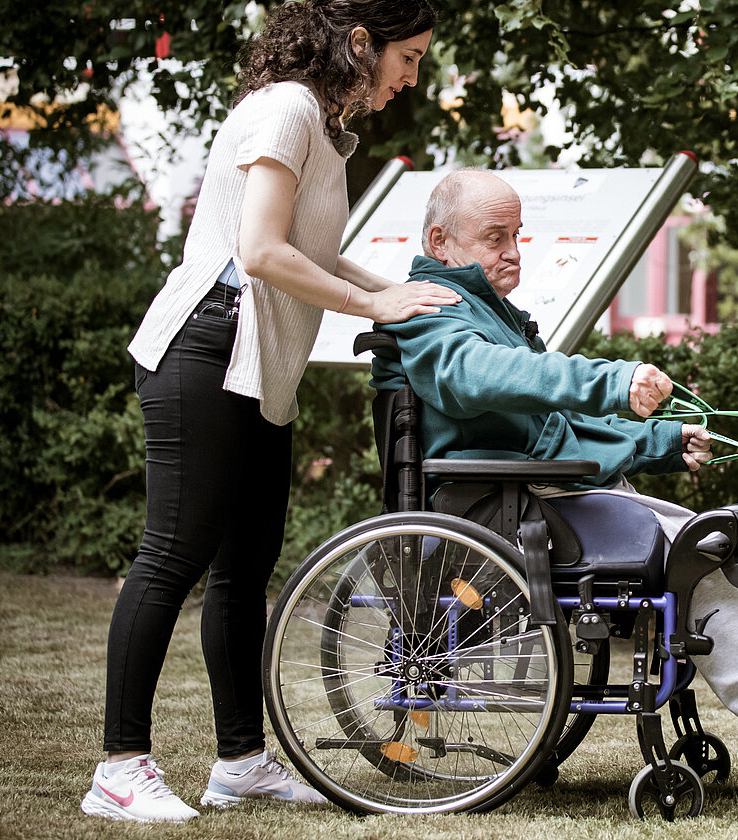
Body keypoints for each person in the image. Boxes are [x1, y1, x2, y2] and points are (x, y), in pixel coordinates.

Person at [370, 169, 738, 755]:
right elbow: (485, 377)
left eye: (518, 235)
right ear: (440, 242)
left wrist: (663, 441)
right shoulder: (430, 310)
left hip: (535, 496)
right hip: (500, 508)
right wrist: (613, 380)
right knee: (697, 548)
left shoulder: (481, 310)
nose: (513, 252)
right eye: (495, 237)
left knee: (718, 539)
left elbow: (557, 425)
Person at [82, 0, 459, 824]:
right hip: (205, 348)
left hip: (259, 367)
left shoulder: (322, 130)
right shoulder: (286, 108)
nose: (412, 76)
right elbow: (258, 252)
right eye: (411, 56)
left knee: (244, 571)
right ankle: (119, 764)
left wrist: (393, 290)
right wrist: (377, 308)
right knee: (172, 555)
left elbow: (311, 256)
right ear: (362, 43)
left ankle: (240, 763)